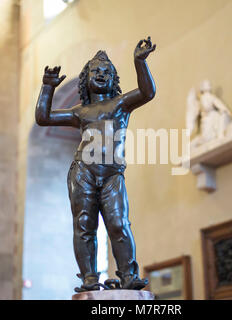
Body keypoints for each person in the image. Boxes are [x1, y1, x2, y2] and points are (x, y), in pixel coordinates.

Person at [35, 37, 156, 292]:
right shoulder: (80, 112)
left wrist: (139, 62)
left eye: (106, 72)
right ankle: (89, 278)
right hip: (83, 172)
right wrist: (48, 87)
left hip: (112, 174)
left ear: (113, 78)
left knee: (118, 223)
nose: (101, 75)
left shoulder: (120, 103)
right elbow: (43, 117)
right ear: (85, 78)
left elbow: (148, 92)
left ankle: (128, 275)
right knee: (84, 224)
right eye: (96, 71)